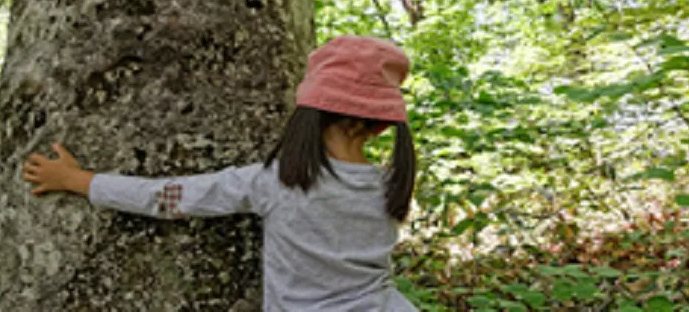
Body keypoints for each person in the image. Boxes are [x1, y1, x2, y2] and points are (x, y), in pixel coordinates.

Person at [23, 35, 419, 312]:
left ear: (308, 111)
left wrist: (77, 180)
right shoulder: (390, 186)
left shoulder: (274, 182)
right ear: (382, 126)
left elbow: (167, 197)